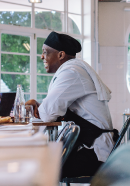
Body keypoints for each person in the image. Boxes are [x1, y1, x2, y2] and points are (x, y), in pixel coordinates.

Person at [26, 31, 117, 178]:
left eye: (45, 52)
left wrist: (39, 108)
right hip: (87, 147)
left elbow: (48, 115)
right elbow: (52, 109)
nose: (42, 57)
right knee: (38, 158)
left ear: (61, 55)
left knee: (37, 163)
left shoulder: (71, 72)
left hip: (94, 153)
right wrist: (39, 105)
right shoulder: (72, 69)